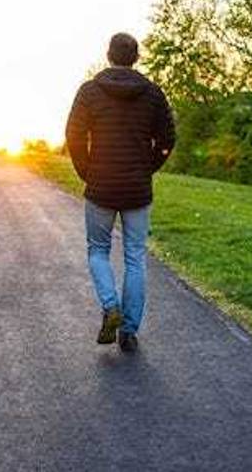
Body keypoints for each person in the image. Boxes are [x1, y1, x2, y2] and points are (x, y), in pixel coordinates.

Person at [65, 33, 176, 353]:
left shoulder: (89, 91)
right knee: (135, 257)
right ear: (136, 57)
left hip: (100, 185)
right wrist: (148, 167)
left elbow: (73, 136)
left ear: (109, 55)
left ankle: (110, 305)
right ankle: (128, 330)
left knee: (97, 250)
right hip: (137, 189)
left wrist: (87, 170)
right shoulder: (153, 94)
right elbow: (168, 138)